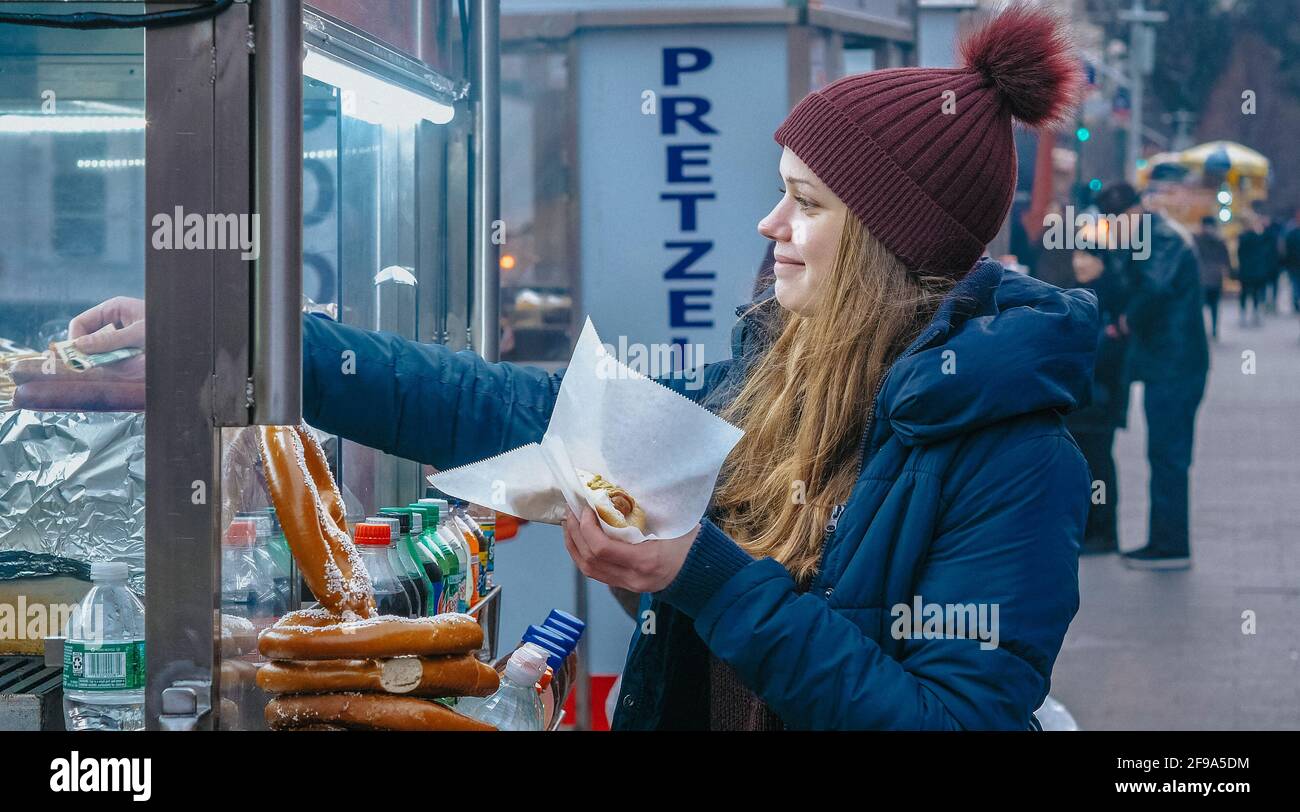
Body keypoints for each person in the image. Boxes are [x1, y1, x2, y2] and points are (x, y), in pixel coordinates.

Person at [29, 6, 1099, 729]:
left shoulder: (1014, 456)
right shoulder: (781, 377)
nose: (770, 222)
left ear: (884, 241)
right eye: (782, 188)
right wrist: (248, 336)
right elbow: (503, 406)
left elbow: (951, 722)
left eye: (808, 202)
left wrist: (705, 575)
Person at [1095, 182, 1209, 571]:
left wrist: (1125, 322)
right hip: (1170, 361)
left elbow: (1152, 289)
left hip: (1175, 363)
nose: (1116, 227)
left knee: (1167, 453)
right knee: (1165, 452)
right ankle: (1166, 540)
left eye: (1118, 220)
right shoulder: (1153, 234)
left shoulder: (1160, 238)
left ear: (1133, 210)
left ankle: (1170, 545)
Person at [1064, 248, 1131, 555]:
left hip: (1101, 398)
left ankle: (1104, 532)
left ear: (1102, 263)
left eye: (1087, 257)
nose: (1079, 263)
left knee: (1098, 464)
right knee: (1086, 464)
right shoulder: (1080, 293)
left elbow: (1113, 352)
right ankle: (1091, 530)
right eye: (1076, 257)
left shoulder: (1112, 296)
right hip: (1085, 397)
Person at [1194, 215, 1231, 340]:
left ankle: (1202, 331)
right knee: (1214, 306)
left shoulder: (1196, 240)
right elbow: (1226, 261)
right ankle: (1214, 329)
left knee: (1200, 307)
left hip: (1202, 277)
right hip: (1216, 277)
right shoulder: (1220, 241)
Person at [1235, 216, 1272, 327]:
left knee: (1244, 293)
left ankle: (1243, 314)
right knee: (1256, 293)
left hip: (1245, 270)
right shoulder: (1258, 238)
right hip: (1256, 270)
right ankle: (1255, 313)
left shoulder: (1242, 238)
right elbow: (1263, 254)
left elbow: (1239, 254)